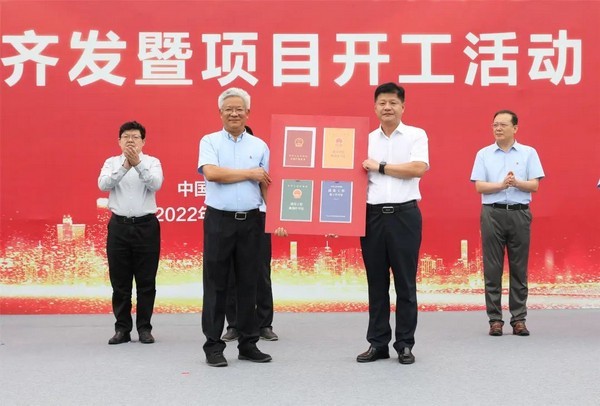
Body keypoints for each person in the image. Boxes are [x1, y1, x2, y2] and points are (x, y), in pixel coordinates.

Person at [198, 88, 272, 367]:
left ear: (248, 113)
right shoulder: (210, 141)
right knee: (216, 285)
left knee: (249, 284)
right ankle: (213, 346)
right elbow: (212, 173)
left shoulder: (259, 145)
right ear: (220, 113)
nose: (234, 113)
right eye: (228, 109)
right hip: (219, 221)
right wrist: (249, 174)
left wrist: (278, 218)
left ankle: (248, 344)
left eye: (239, 109)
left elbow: (267, 184)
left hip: (252, 222)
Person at [357, 82, 429, 365]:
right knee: (376, 283)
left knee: (405, 284)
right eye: (382, 103)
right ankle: (377, 344)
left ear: (403, 107)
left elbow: (418, 168)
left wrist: (381, 167)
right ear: (375, 107)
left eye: (393, 103)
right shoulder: (365, 139)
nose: (387, 107)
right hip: (371, 216)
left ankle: (405, 344)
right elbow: (350, 180)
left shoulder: (415, 135)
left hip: (404, 216)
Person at [470, 110, 544, 337]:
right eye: (495, 125)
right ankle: (495, 320)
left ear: (515, 128)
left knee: (519, 269)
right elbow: (479, 186)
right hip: (492, 213)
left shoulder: (529, 153)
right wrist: (501, 185)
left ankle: (519, 319)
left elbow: (534, 185)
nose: (498, 128)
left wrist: (516, 183)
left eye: (503, 124)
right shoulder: (484, 154)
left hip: (519, 213)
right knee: (492, 269)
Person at [98, 121, 163, 345]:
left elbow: (155, 184)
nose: (131, 141)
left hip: (146, 226)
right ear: (119, 141)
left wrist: (138, 165)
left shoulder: (152, 162)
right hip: (119, 226)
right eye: (126, 137)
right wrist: (125, 166)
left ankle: (144, 328)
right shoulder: (111, 163)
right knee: (120, 282)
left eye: (135, 137)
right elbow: (103, 185)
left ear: (143, 141)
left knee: (146, 281)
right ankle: (122, 329)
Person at [221, 125, 278, 343]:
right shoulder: (227, 162)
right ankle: (234, 324)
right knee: (231, 274)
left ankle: (264, 324)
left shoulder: (262, 155)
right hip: (231, 217)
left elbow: (271, 187)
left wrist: (277, 217)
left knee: (261, 272)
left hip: (259, 217)